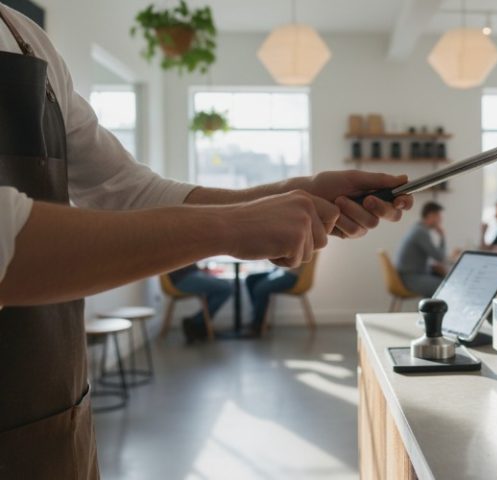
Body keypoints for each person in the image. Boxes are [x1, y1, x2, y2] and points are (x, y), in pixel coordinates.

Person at [0, 5, 413, 478]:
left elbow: (128, 193)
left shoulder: (26, 34)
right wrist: (232, 227)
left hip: (52, 420)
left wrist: (294, 193)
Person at [395, 201, 447, 297]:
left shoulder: (418, 228)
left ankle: (429, 305)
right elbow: (440, 257)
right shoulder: (421, 232)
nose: (441, 219)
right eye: (439, 216)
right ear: (431, 215)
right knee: (445, 286)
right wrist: (442, 236)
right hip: (410, 278)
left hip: (410, 274)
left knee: (441, 277)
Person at [169, 264, 233, 342]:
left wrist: (200, 270)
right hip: (182, 279)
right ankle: (197, 322)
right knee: (226, 288)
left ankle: (200, 324)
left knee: (225, 285)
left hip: (192, 274)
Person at [245, 265, 301, 335]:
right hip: (279, 271)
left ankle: (258, 324)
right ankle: (257, 319)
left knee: (260, 288)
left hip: (291, 275)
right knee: (251, 279)